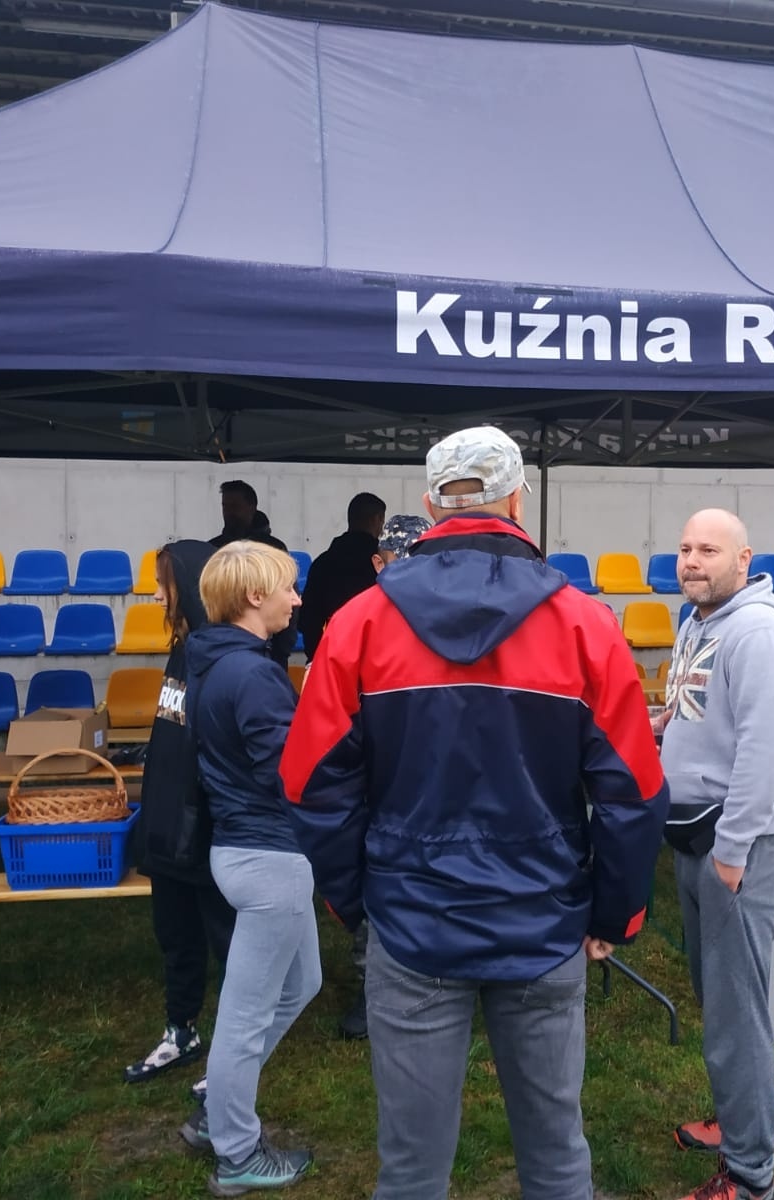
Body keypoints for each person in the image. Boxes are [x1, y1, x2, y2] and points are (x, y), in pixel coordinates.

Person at [280, 427, 668, 1200]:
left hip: (411, 920)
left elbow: (310, 783)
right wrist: (614, 914)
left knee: (411, 1170)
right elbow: (634, 791)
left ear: (430, 506)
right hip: (544, 918)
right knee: (556, 1157)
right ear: (518, 499)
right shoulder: (585, 625)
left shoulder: (358, 623)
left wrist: (357, 902)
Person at [659, 508, 774, 1200]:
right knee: (723, 1003)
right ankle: (745, 1120)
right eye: (685, 548)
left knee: (737, 1014)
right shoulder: (698, 622)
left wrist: (732, 850)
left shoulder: (757, 634)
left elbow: (766, 751)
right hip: (702, 836)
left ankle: (750, 1176)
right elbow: (702, 714)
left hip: (739, 845)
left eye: (709, 550)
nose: (692, 561)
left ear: (744, 560)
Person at [182, 540, 319, 1196]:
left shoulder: (211, 661)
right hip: (268, 859)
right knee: (244, 1019)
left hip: (246, 850)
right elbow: (288, 774)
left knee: (302, 983)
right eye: (288, 587)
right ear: (254, 596)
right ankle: (236, 1150)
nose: (297, 599)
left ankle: (220, 1105)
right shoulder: (254, 674)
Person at [125, 541, 237, 1098]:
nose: (154, 595)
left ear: (189, 586)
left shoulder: (222, 659)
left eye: (162, 583)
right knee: (175, 937)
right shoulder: (183, 651)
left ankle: (235, 1056)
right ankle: (181, 1031)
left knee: (229, 946)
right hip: (169, 830)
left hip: (207, 832)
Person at [325, 512, 431, 1042]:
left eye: (420, 559)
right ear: (378, 561)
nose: (409, 569)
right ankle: (373, 991)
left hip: (434, 777)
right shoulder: (355, 623)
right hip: (375, 778)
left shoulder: (447, 619)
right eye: (398, 559)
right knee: (377, 884)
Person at [210, 480, 297, 669]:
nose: (229, 513)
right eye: (225, 506)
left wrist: (281, 651)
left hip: (270, 651)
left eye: (235, 506)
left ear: (252, 507)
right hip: (223, 647)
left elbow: (289, 598)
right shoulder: (214, 549)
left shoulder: (274, 549)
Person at [297, 491, 385, 662]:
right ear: (377, 519)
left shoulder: (323, 562)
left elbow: (308, 620)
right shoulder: (382, 564)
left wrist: (317, 659)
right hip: (375, 658)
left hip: (333, 654)